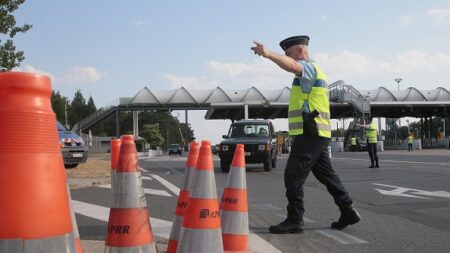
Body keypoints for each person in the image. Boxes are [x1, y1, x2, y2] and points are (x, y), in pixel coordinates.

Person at [251, 35, 360, 233]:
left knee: (293, 175)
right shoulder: (310, 74)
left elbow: (292, 66)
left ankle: (295, 219)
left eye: (290, 55)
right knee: (326, 174)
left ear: (300, 52)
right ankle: (347, 210)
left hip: (310, 132)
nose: (289, 59)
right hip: (316, 132)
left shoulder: (309, 68)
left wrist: (268, 54)